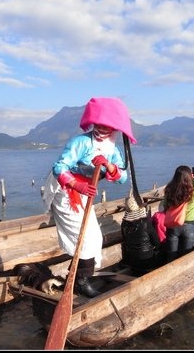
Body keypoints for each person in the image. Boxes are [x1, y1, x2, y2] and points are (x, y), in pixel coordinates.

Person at [42, 97, 136, 298]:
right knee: (82, 238)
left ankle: (77, 278)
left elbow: (123, 177)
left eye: (106, 127)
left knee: (94, 237)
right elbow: (59, 167)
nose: (101, 130)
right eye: (98, 125)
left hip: (86, 191)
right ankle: (79, 283)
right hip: (65, 191)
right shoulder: (81, 142)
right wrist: (77, 185)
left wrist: (108, 165)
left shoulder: (113, 150)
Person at [162, 165, 194, 262]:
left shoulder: (169, 190)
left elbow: (165, 206)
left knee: (171, 255)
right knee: (186, 256)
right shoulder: (192, 192)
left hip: (172, 225)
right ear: (189, 177)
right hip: (188, 226)